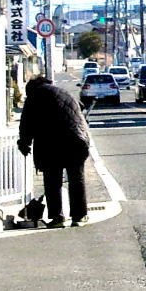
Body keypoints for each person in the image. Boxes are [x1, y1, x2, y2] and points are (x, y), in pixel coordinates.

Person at [18, 76, 91, 228]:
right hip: (77, 140)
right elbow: (81, 107)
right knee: (76, 179)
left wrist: (24, 144)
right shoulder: (63, 91)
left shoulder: (35, 95)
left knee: (52, 180)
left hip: (51, 143)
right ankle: (79, 216)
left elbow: (26, 123)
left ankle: (57, 217)